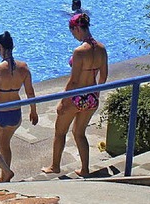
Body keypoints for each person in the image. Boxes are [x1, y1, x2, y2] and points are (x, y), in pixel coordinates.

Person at [42, 13, 108, 177]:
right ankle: (85, 169)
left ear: (78, 28)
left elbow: (73, 81)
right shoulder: (101, 48)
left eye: (72, 32)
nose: (73, 35)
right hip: (91, 96)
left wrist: (63, 101)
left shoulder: (79, 52)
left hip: (76, 97)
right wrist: (96, 94)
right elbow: (104, 76)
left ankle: (55, 166)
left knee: (60, 132)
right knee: (79, 133)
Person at [0, 31, 38, 183]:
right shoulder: (24, 67)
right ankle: (4, 177)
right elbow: (30, 92)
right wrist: (33, 111)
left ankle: (7, 171)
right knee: (5, 144)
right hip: (15, 114)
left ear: (0, 47)